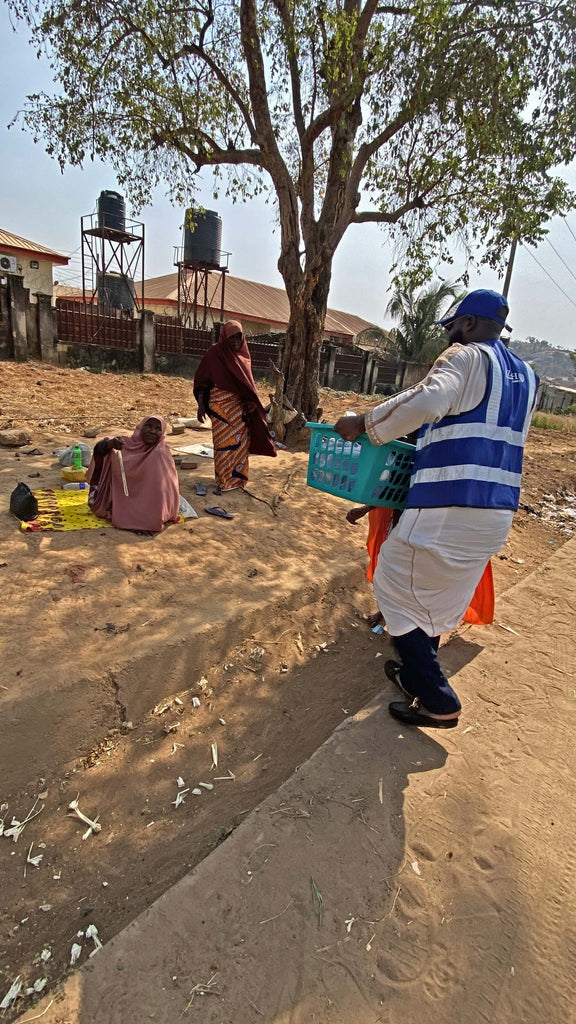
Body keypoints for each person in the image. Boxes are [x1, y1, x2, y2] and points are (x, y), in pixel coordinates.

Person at [335, 289, 538, 729]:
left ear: (465, 324)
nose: (450, 337)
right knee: (440, 596)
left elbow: (427, 401)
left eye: (451, 328)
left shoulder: (465, 358)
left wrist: (364, 425)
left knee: (391, 579)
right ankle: (414, 672)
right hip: (497, 510)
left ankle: (437, 698)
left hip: (449, 502)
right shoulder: (529, 376)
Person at [193, 320, 276, 494]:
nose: (235, 342)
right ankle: (224, 481)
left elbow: (248, 386)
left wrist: (250, 405)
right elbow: (202, 380)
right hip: (219, 408)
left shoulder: (243, 357)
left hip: (239, 410)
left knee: (240, 444)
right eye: (232, 338)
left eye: (238, 338)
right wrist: (201, 405)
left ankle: (238, 479)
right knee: (223, 444)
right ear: (224, 337)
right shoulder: (214, 353)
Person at [87, 415, 180, 532]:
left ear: (162, 433)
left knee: (150, 520)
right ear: (140, 427)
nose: (152, 431)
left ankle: (136, 517)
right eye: (149, 426)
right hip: (123, 498)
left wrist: (151, 518)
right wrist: (110, 444)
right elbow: (100, 449)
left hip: (150, 502)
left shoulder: (160, 453)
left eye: (157, 429)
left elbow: (162, 493)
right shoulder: (126, 444)